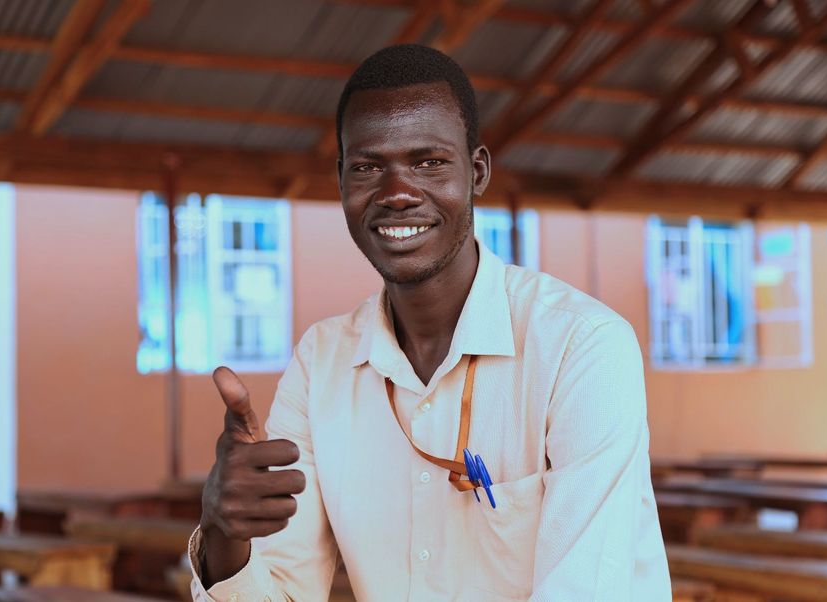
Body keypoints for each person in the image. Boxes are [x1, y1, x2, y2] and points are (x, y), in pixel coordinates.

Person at [187, 44, 671, 601]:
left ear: (478, 172)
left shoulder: (580, 345)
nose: (396, 194)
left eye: (429, 162)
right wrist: (226, 534)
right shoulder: (321, 362)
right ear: (342, 180)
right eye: (368, 167)